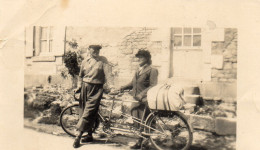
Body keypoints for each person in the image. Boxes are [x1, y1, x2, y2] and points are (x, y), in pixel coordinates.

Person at [73, 45, 112, 148]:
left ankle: (78, 135)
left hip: (97, 88)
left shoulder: (103, 60)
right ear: (89, 50)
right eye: (93, 49)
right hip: (85, 88)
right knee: (83, 110)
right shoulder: (85, 61)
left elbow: (108, 75)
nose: (96, 51)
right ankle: (89, 135)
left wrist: (111, 87)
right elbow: (81, 76)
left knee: (88, 111)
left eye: (98, 49)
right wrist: (78, 86)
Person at [120, 49, 158, 149]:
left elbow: (153, 85)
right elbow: (133, 83)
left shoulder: (152, 70)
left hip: (145, 100)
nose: (139, 59)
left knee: (145, 121)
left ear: (147, 59)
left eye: (142, 57)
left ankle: (145, 142)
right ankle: (140, 140)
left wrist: (142, 94)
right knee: (136, 120)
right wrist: (122, 87)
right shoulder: (138, 70)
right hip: (136, 99)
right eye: (138, 57)